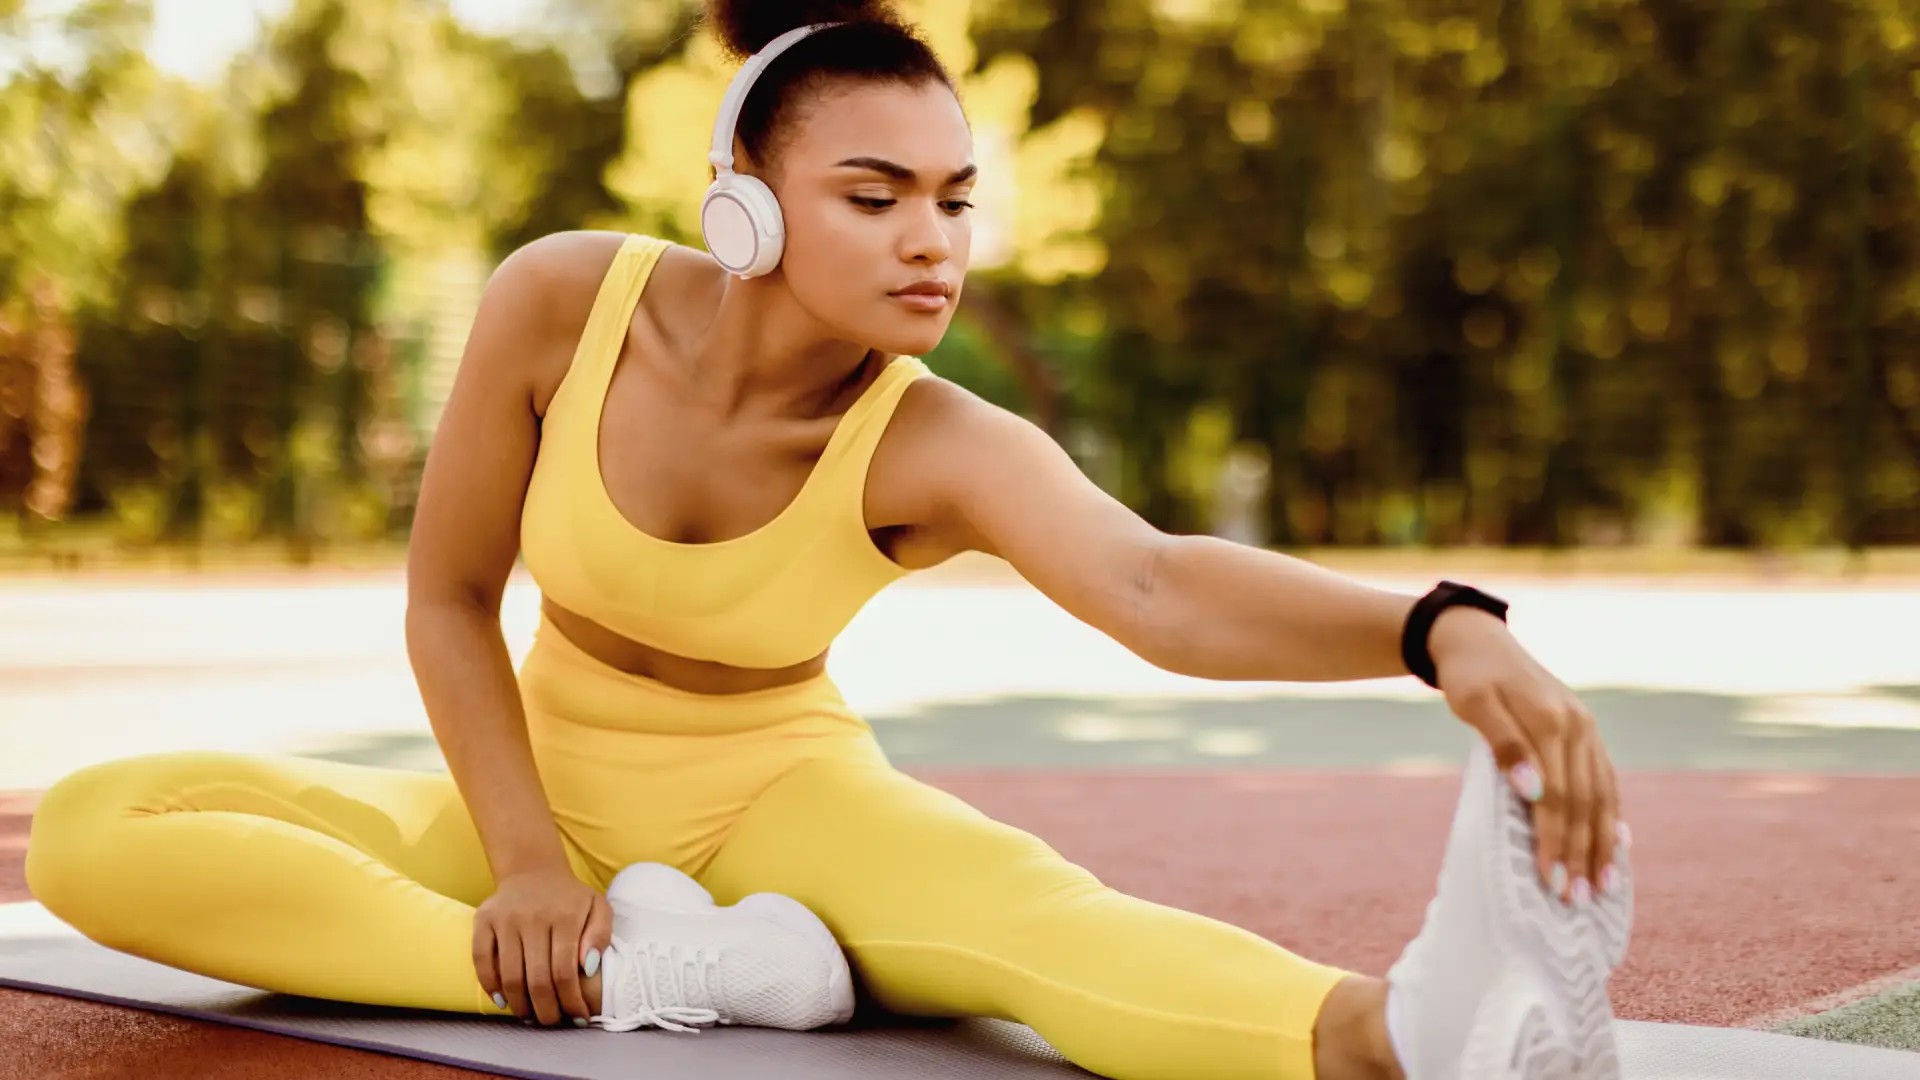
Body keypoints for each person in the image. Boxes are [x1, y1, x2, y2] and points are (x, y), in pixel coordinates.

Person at [24, 2, 1636, 1077]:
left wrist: (1439, 626)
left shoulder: (933, 436)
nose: (930, 241)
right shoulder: (556, 304)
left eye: (952, 198)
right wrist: (524, 865)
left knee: (1033, 926)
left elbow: (1153, 583)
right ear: (745, 202)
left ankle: (1405, 1033)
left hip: (777, 805)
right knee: (103, 830)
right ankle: (668, 973)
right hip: (527, 796)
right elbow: (448, 602)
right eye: (874, 196)